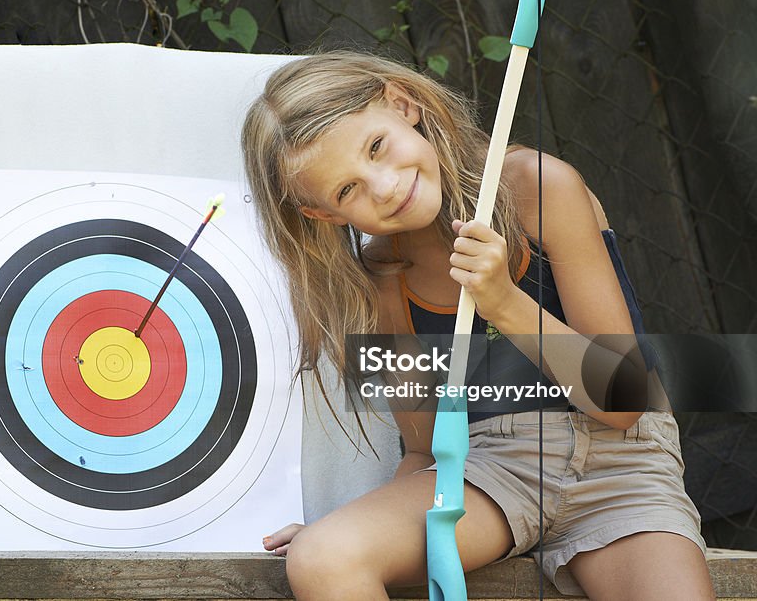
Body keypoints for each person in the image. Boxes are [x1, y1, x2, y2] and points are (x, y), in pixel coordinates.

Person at [240, 50, 713, 600]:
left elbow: (624, 398)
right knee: (323, 558)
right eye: (347, 190)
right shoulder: (380, 273)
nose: (385, 187)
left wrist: (503, 302)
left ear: (403, 105)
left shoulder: (538, 186)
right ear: (324, 214)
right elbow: (422, 450)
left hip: (620, 467)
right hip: (487, 473)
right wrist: (366, 532)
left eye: (377, 148)